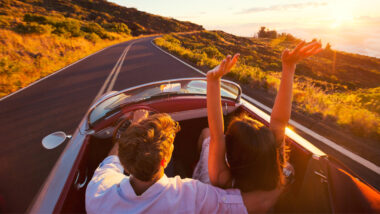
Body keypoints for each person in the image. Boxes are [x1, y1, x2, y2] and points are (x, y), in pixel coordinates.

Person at [86, 110, 284, 214]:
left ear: (125, 162)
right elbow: (260, 203)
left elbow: (110, 161)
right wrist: (287, 172)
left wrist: (135, 128)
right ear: (165, 160)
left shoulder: (98, 192)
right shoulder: (193, 196)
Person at [193, 41, 322, 192]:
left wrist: (213, 79)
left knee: (206, 133)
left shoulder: (222, 178)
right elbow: (279, 121)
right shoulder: (277, 174)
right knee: (290, 168)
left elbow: (216, 138)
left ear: (229, 153)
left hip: (205, 192)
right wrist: (289, 67)